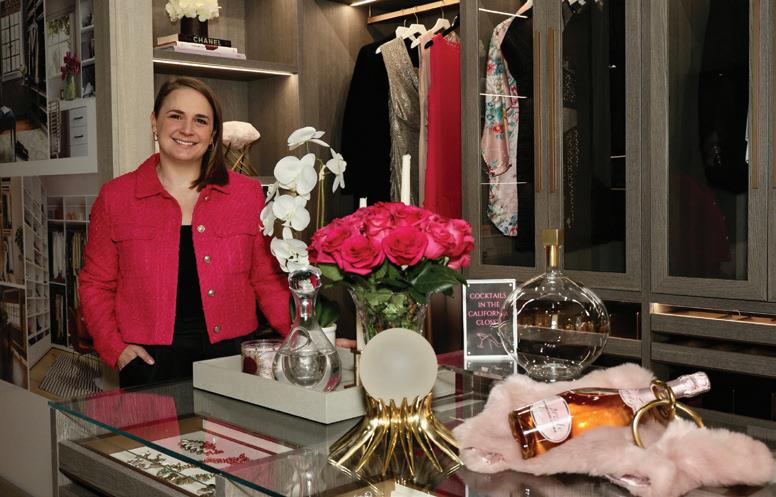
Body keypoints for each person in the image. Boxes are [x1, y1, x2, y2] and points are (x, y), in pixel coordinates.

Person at [80, 77, 291, 388]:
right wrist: (116, 349)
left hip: (232, 358)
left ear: (213, 134)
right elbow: (95, 284)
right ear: (155, 122)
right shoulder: (116, 198)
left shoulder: (247, 195)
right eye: (176, 116)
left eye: (200, 120)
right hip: (148, 363)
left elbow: (268, 280)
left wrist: (307, 335)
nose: (187, 129)